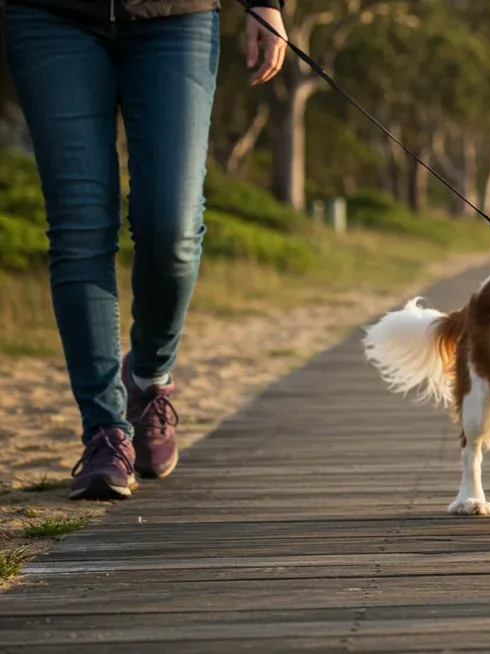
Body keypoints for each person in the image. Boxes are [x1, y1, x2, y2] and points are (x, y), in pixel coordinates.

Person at [2, 0, 289, 500]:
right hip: (47, 14)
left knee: (172, 229)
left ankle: (150, 374)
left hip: (176, 16)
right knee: (79, 227)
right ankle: (105, 433)